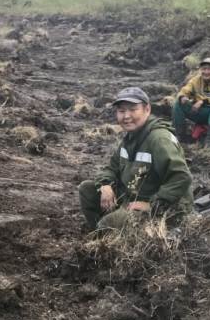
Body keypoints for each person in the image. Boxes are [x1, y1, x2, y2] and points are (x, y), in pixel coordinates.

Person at [79, 87, 193, 232]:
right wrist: (106, 184)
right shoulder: (131, 137)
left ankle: (107, 235)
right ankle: (101, 233)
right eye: (121, 111)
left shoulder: (159, 138)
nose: (126, 116)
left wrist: (152, 205)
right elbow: (111, 168)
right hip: (132, 196)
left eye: (133, 109)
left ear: (147, 109)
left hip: (165, 207)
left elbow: (181, 177)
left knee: (111, 222)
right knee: (87, 190)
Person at [172, 57, 210, 143]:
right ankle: (181, 136)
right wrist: (182, 96)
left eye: (209, 69)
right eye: (204, 69)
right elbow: (185, 89)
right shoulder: (196, 80)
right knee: (178, 103)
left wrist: (203, 101)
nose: (206, 72)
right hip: (200, 111)